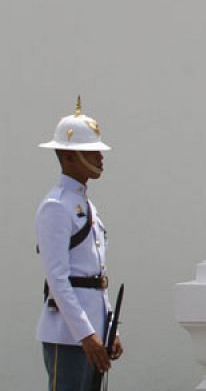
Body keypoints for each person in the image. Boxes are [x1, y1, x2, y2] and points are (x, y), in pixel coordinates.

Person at [37, 99, 123, 391]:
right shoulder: (56, 206)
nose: (100, 157)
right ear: (68, 156)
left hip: (93, 330)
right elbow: (58, 279)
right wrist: (85, 334)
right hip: (68, 332)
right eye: (91, 151)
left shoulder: (86, 206)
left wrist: (109, 327)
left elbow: (97, 277)